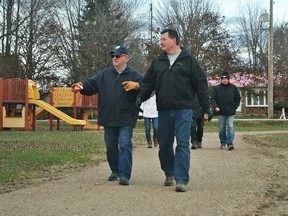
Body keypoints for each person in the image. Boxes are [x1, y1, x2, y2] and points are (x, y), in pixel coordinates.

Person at [136, 29, 212, 192]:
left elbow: (200, 83)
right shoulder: (158, 61)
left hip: (184, 109)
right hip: (163, 109)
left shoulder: (189, 60)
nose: (161, 42)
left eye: (164, 39)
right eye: (160, 39)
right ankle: (169, 173)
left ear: (174, 40)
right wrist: (140, 98)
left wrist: (206, 106)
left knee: (183, 143)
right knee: (164, 144)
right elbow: (148, 83)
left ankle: (182, 180)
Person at [72, 45, 142, 186]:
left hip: (126, 117)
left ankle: (124, 175)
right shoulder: (104, 74)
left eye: (117, 56)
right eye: (113, 56)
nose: (114, 58)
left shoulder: (135, 75)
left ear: (126, 57)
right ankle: (115, 171)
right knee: (110, 146)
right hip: (108, 116)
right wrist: (81, 86)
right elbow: (91, 84)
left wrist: (137, 86)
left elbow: (147, 87)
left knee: (124, 144)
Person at [211, 71, 241, 150]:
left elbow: (238, 98)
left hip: (230, 111)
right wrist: (215, 107)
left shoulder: (233, 88)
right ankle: (223, 142)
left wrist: (235, 106)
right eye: (223, 79)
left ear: (228, 79)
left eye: (226, 79)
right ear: (221, 80)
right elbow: (213, 99)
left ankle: (230, 143)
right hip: (221, 112)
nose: (224, 80)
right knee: (221, 128)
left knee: (230, 127)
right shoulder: (216, 88)